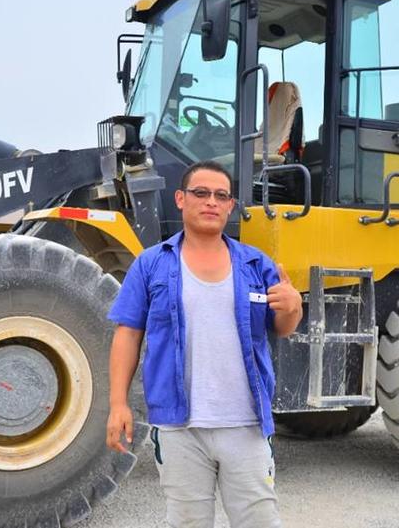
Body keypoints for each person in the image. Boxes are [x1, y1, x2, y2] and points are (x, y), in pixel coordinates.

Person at [106, 160, 303, 527]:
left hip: (246, 424)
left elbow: (282, 328)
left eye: (221, 195)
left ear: (230, 205)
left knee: (259, 521)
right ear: (180, 199)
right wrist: (118, 404)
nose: (211, 201)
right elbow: (128, 334)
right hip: (180, 428)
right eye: (201, 193)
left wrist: (293, 308)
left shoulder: (255, 264)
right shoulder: (151, 265)